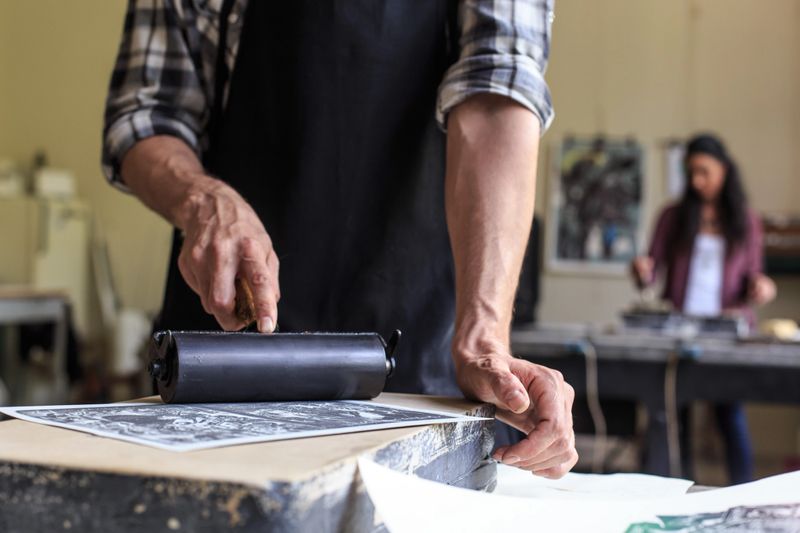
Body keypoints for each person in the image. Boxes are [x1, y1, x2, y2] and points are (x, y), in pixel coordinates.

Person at [102, 0, 577, 477]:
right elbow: (147, 112)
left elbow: (497, 90)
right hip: (222, 363)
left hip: (420, 370)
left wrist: (484, 338)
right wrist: (202, 199)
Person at [631, 133, 776, 484]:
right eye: (690, 172)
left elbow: (757, 279)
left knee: (730, 414)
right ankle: (678, 492)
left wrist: (763, 288)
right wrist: (641, 271)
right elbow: (649, 277)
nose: (696, 181)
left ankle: (742, 494)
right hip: (679, 331)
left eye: (704, 172)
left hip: (726, 333)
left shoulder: (747, 220)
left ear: (724, 171)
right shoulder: (673, 216)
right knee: (672, 416)